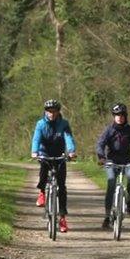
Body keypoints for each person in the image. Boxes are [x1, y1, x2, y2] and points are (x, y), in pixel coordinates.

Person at [95, 103, 130, 228]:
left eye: (122, 115)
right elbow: (100, 144)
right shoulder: (109, 130)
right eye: (117, 115)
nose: (119, 117)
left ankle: (128, 200)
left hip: (127, 160)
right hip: (111, 161)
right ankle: (107, 216)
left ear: (125, 116)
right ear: (113, 116)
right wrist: (102, 157)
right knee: (111, 180)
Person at [31, 99, 77, 232]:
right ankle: (42, 193)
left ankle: (62, 218)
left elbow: (68, 138)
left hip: (60, 155)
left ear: (58, 112)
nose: (51, 114)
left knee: (62, 186)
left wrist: (71, 151)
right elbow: (36, 138)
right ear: (45, 112)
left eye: (54, 111)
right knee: (43, 172)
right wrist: (34, 152)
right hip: (44, 153)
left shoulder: (64, 124)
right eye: (49, 111)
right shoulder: (40, 124)